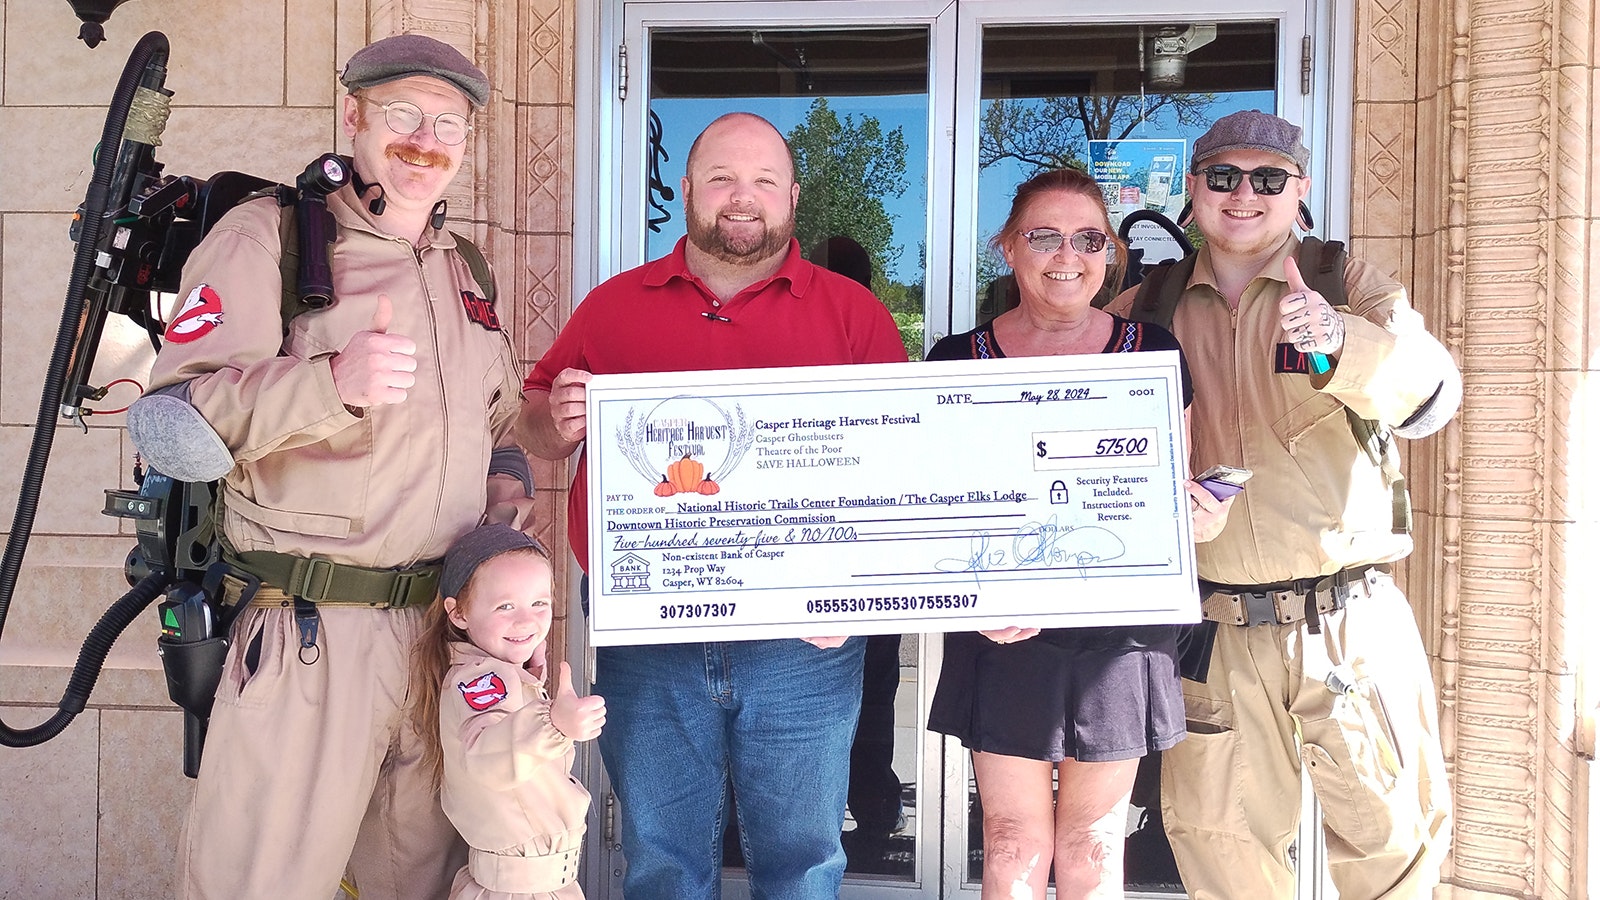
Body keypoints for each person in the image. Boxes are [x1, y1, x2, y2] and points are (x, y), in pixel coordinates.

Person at [138, 34, 536, 900]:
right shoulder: (269, 240)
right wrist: (329, 384)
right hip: (308, 637)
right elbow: (168, 422)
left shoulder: (464, 270)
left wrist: (509, 484)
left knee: (421, 886)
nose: (427, 139)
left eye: (449, 124)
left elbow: (497, 425)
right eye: (403, 115)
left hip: (436, 639)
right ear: (352, 117)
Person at [518, 112, 908, 899]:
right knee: (662, 861)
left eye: (764, 181)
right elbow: (534, 421)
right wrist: (553, 420)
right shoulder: (614, 305)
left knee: (802, 864)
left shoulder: (852, 313)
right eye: (723, 178)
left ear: (792, 196)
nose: (743, 198)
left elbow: (896, 465)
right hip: (648, 625)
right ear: (688, 190)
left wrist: (861, 585)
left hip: (805, 638)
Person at [1106, 109, 1455, 899]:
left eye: (1269, 178)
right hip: (1217, 630)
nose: (1244, 195)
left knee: (1390, 842)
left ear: (1298, 191)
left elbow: (1431, 396)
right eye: (1223, 176)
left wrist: (1340, 336)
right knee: (1220, 851)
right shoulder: (1145, 308)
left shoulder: (1346, 282)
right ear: (1192, 189)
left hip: (1348, 622)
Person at [925, 167, 1233, 900]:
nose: (1069, 254)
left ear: (1109, 254)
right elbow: (935, 513)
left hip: (1118, 634)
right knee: (1010, 846)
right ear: (1008, 248)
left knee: (1093, 848)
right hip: (1005, 631)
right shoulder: (955, 359)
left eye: (1089, 238)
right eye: (1045, 235)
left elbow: (1168, 494)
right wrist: (971, 599)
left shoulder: (1152, 352)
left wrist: (1197, 518)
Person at [409, 524, 606, 900]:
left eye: (539, 603)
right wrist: (554, 723)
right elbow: (487, 755)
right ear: (459, 614)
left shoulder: (504, 677)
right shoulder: (481, 681)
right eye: (505, 606)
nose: (526, 620)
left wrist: (530, 680)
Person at [807, 235, 909, 851]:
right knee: (872, 688)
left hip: (864, 550)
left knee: (868, 684)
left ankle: (870, 802)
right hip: (862, 549)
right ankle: (873, 807)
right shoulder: (870, 330)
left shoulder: (867, 332)